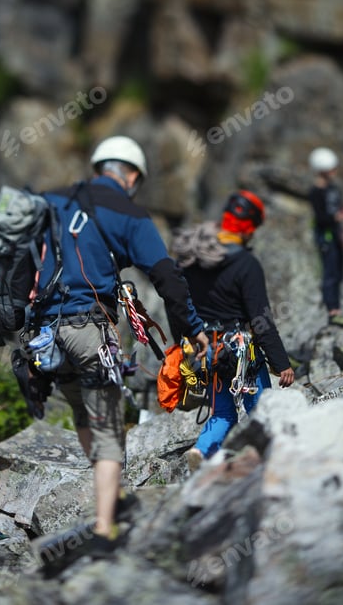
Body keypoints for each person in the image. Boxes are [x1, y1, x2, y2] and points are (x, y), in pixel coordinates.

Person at [33, 135, 208, 562]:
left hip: (43, 335)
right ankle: (105, 531)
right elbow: (166, 277)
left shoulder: (53, 199)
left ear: (98, 166)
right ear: (130, 175)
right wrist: (191, 330)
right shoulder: (127, 211)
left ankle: (118, 494)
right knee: (109, 425)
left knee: (82, 412)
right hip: (89, 329)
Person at [170, 190, 295, 471]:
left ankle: (201, 451)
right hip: (241, 352)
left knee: (224, 413)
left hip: (207, 349)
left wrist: (185, 343)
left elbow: (177, 303)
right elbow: (260, 319)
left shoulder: (192, 259)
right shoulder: (245, 264)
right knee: (259, 409)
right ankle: (271, 460)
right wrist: (281, 363)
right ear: (249, 227)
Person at [308, 147, 343, 327]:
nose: (335, 171)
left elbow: (339, 207)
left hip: (336, 235)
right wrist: (337, 217)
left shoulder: (334, 189)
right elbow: (320, 218)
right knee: (330, 272)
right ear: (323, 170)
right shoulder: (315, 192)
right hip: (326, 237)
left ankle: (337, 307)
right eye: (332, 168)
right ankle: (333, 311)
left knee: (337, 271)